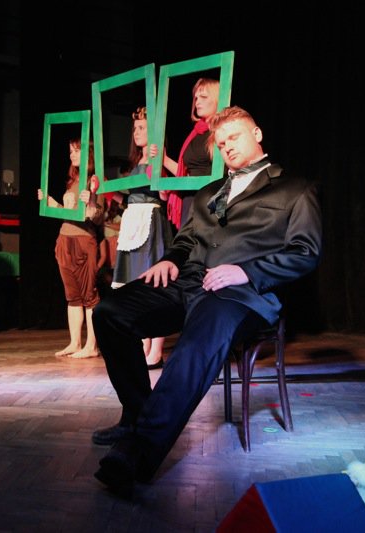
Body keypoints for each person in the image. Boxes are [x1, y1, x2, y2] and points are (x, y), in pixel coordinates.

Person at [90, 105, 323, 497]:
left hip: (241, 294)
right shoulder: (208, 193)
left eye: (235, 137)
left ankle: (138, 449)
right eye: (221, 142)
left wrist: (247, 271)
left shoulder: (295, 189)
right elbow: (186, 241)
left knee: (201, 336)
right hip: (189, 282)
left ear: (257, 134)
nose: (227, 146)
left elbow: (306, 251)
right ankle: (137, 416)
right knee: (110, 312)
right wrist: (169, 259)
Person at [109, 106, 175, 369]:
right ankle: (144, 345)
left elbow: (166, 196)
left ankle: (155, 350)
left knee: (153, 285)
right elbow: (130, 200)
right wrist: (107, 192)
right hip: (133, 222)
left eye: (142, 128)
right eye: (135, 128)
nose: (136, 132)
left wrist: (158, 177)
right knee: (136, 286)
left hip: (151, 224)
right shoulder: (137, 164)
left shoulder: (156, 162)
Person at [38, 139, 105, 359]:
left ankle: (91, 346)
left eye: (77, 150)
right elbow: (68, 213)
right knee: (72, 295)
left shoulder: (96, 180)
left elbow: (98, 217)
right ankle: (75, 343)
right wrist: (49, 203)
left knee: (89, 294)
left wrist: (92, 200)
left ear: (89, 154)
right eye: (70, 151)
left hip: (83, 240)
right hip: (64, 239)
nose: (72, 155)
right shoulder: (73, 181)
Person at [162, 77, 221, 230]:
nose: (197, 102)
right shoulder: (195, 133)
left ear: (217, 99)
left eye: (203, 97)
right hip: (190, 200)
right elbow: (186, 173)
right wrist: (164, 160)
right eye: (196, 98)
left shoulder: (221, 132)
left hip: (210, 199)